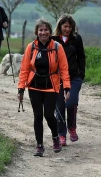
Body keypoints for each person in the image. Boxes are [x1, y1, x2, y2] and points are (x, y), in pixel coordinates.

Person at [17, 18, 71, 157]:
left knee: (48, 114)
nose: (43, 32)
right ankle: (39, 145)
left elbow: (64, 69)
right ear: (36, 32)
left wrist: (66, 87)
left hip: (51, 86)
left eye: (46, 30)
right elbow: (24, 69)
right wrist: (21, 88)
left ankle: (55, 137)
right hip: (34, 86)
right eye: (40, 30)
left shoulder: (57, 47)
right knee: (38, 116)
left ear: (50, 31)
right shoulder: (31, 47)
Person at [52, 14, 86, 146]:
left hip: (74, 77)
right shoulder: (53, 40)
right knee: (59, 106)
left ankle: (72, 127)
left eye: (70, 27)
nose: (67, 29)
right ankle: (61, 135)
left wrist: (81, 74)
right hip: (57, 78)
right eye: (65, 26)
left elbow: (81, 57)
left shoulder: (76, 39)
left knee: (71, 102)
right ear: (60, 26)